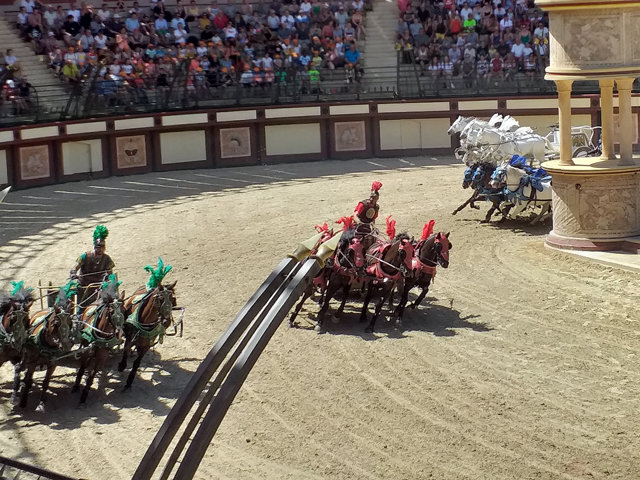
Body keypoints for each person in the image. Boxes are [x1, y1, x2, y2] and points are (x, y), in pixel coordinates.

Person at [70, 225, 115, 309]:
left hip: (98, 287)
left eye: (103, 247)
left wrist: (108, 279)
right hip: (84, 287)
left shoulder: (107, 259)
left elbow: (110, 273)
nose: (101, 250)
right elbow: (75, 268)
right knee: (80, 307)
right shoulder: (85, 256)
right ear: (95, 247)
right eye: (99, 247)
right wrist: (73, 273)